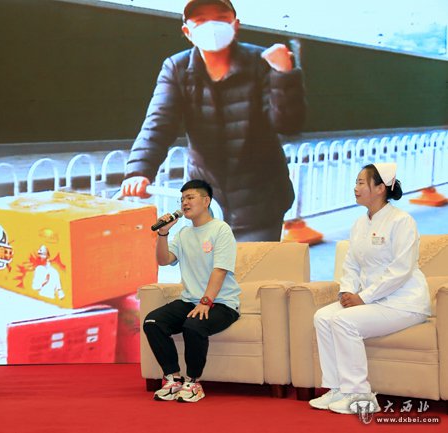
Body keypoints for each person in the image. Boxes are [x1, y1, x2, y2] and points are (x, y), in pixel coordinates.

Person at [121, 0, 306, 242]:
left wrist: (284, 74)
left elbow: (288, 125)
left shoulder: (262, 61)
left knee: (250, 264)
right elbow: (159, 122)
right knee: (206, 263)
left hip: (261, 200)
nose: (212, 26)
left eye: (220, 18)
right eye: (200, 20)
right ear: (187, 32)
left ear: (235, 25)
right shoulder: (177, 68)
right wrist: (139, 171)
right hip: (205, 199)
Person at [309, 163, 431, 414]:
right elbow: (351, 264)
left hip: (404, 303)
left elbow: (401, 270)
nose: (355, 188)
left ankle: (360, 395)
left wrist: (363, 297)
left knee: (344, 321)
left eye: (361, 183)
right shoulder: (359, 224)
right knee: (322, 316)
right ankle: (337, 388)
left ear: (380, 188)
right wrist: (346, 291)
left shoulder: (402, 221)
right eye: (356, 182)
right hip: (373, 301)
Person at [143, 179, 240, 402]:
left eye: (190, 197)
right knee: (153, 322)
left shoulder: (221, 230)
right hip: (189, 300)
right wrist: (163, 234)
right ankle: (173, 379)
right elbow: (164, 260)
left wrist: (206, 302)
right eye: (182, 199)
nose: (184, 203)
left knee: (194, 325)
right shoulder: (183, 233)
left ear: (206, 201)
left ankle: (193, 382)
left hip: (222, 303)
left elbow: (220, 270)